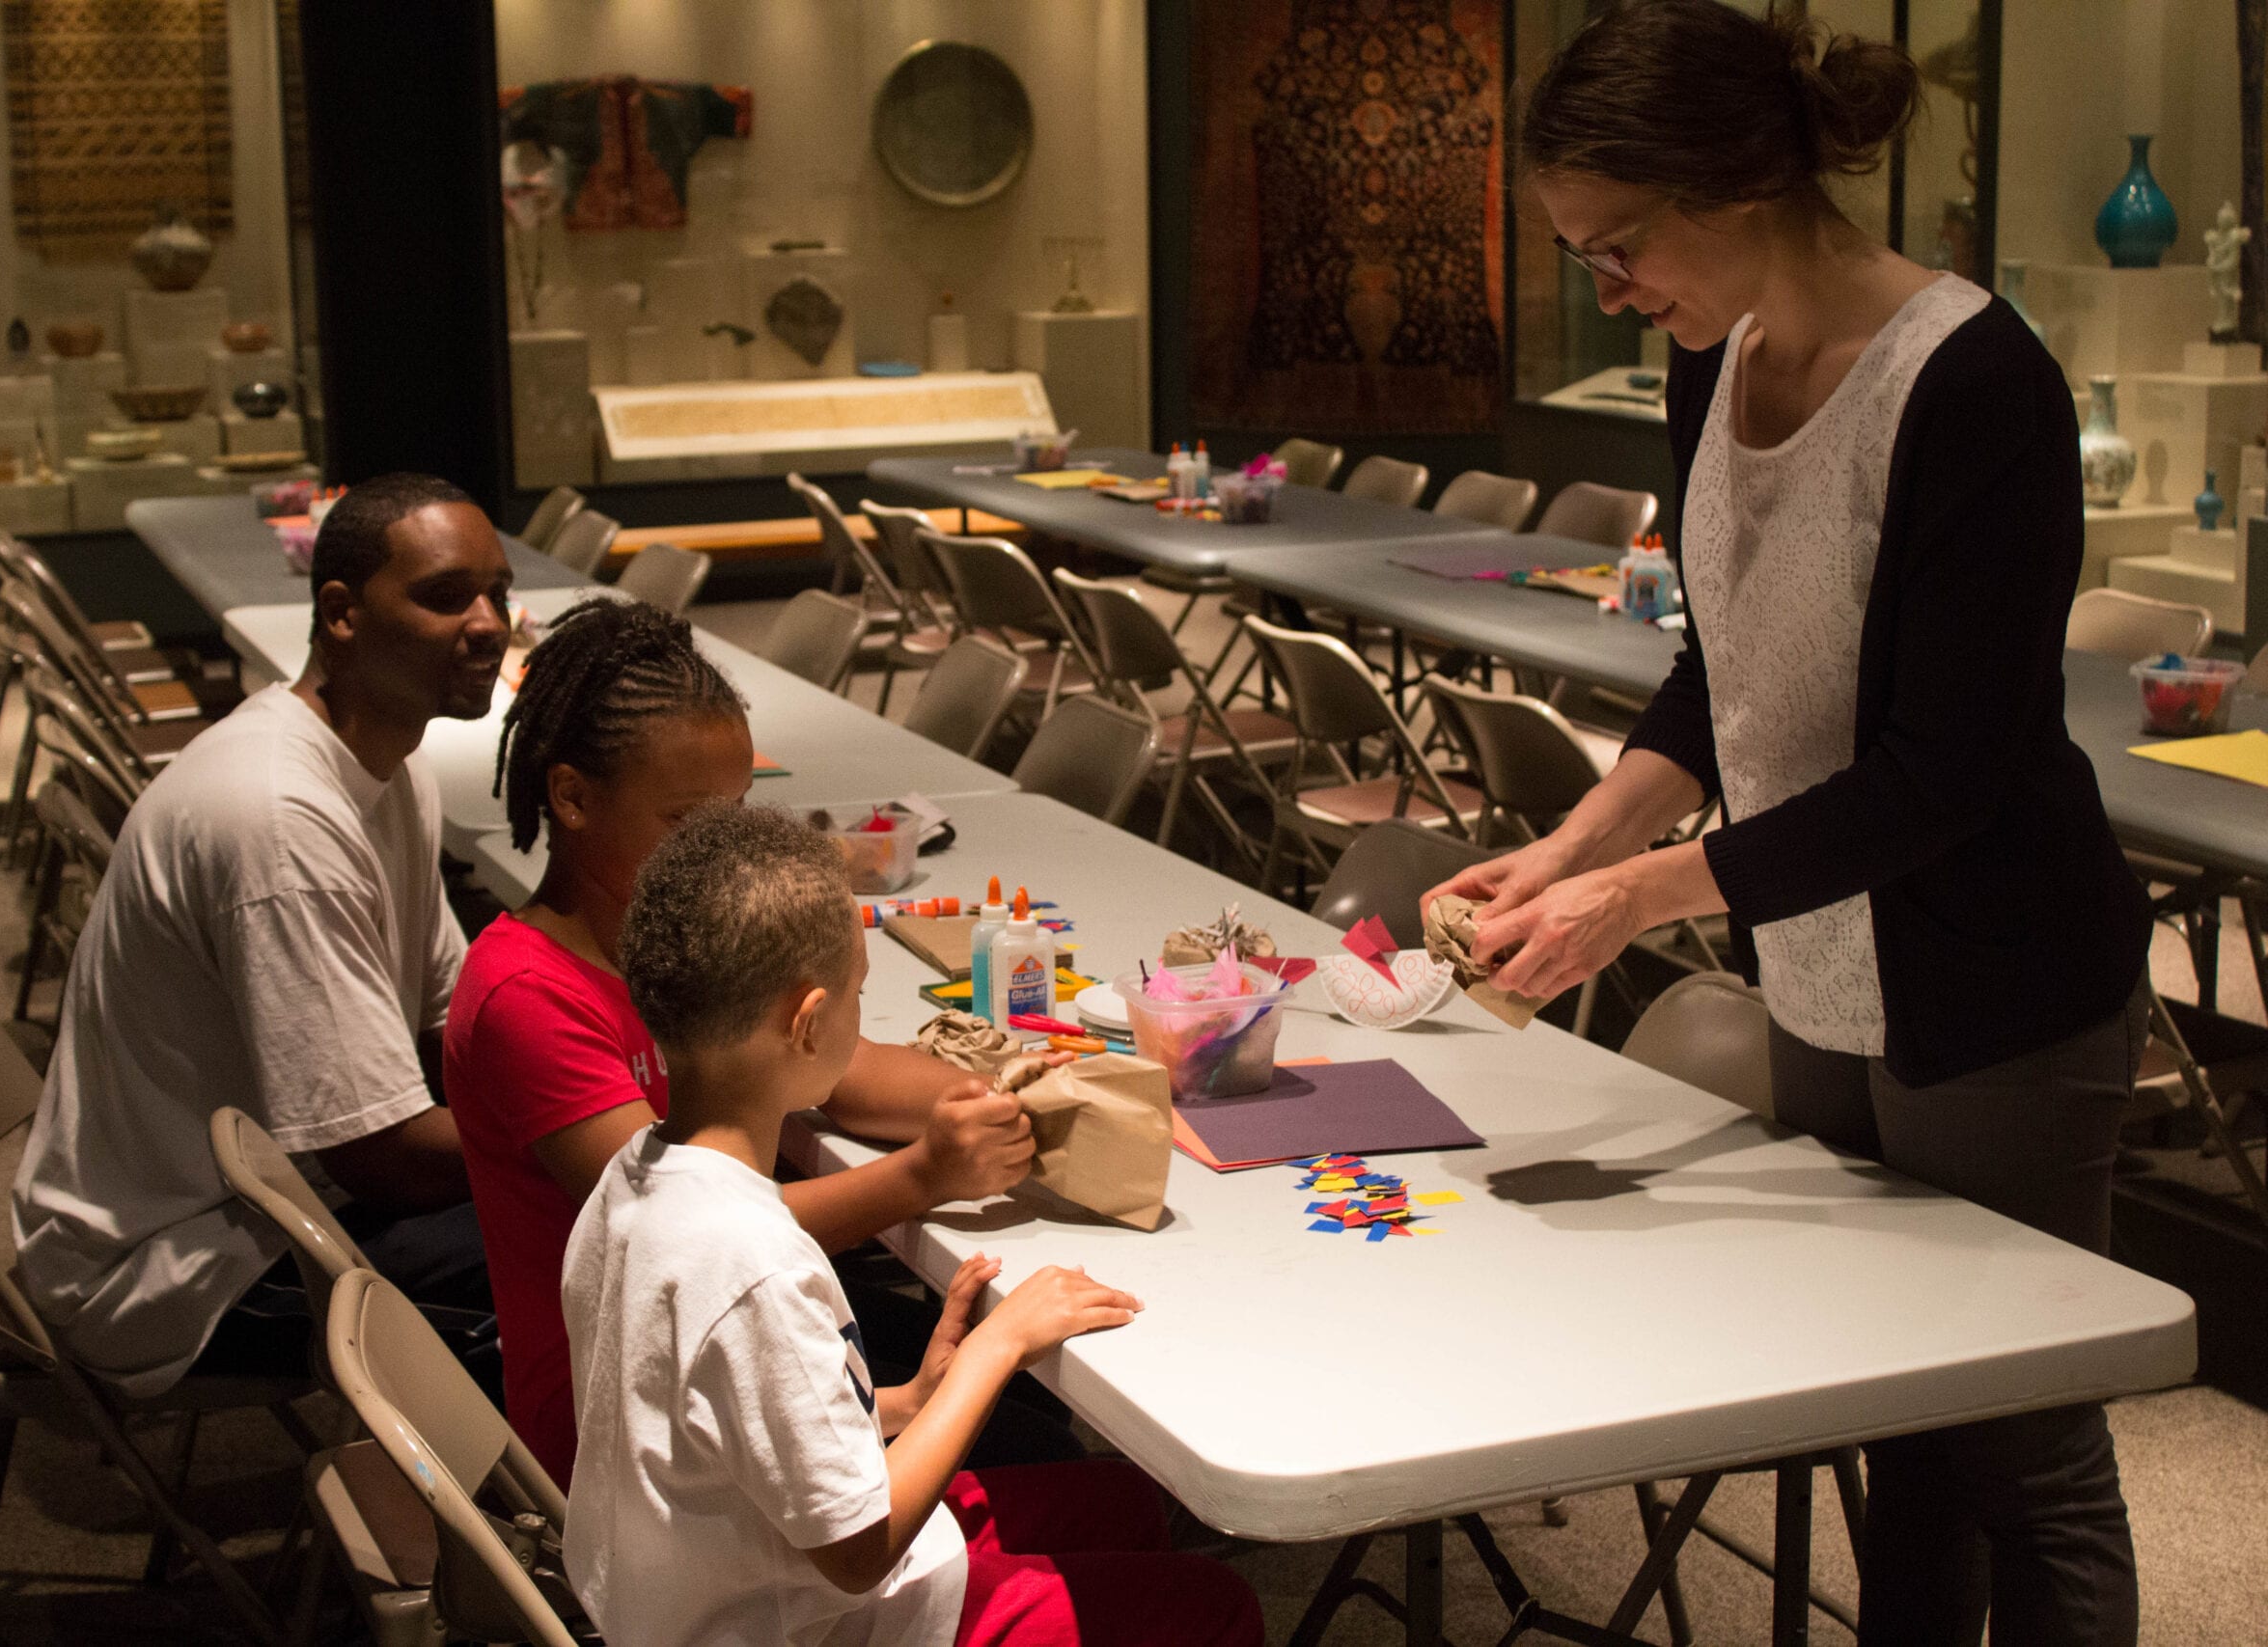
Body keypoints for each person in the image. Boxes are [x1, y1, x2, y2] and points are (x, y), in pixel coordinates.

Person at [1427, 5, 2157, 1642]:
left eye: (1619, 248)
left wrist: (1642, 895)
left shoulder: (1976, 381)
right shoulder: (1715, 351)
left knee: (2023, 1445)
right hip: (1822, 956)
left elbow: (1946, 771)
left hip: (2001, 980)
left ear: (1737, 182)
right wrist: (1574, 844)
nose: (1611, 291)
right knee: (1905, 1409)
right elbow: (1728, 665)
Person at [564, 804, 1263, 1647]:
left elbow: (726, 1429)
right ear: (808, 1023)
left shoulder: (634, 1177)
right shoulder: (752, 1264)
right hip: (800, 1623)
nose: (862, 1013)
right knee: (1218, 1606)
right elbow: (858, 1551)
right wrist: (997, 1347)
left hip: (725, 1580)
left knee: (1123, 1504)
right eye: (859, 993)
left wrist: (914, 1399)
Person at [444, 596, 1060, 1486]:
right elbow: (688, 1230)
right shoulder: (524, 995)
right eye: (689, 822)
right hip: (627, 1422)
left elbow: (844, 1073)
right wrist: (926, 1173)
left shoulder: (693, 937)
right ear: (572, 796)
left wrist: (1015, 1093)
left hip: (712, 1344)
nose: (724, 849)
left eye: (736, 813)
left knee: (1024, 1400)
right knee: (1025, 1437)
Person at [13, 472, 513, 1396]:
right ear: (342, 613)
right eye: (447, 596)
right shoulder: (278, 816)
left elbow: (452, 1028)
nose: (489, 623)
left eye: (498, 593)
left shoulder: (390, 763)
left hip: (274, 1194)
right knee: (588, 1247)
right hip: (173, 1266)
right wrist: (595, 1139)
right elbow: (382, 1159)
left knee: (604, 1209)